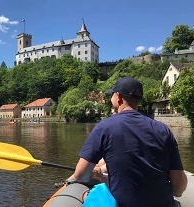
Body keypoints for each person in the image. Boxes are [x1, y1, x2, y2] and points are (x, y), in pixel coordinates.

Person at [67, 77, 187, 207]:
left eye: (112, 94)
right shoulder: (163, 130)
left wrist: (95, 173)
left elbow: (81, 175)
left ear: (118, 97)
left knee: (92, 195)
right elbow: (179, 186)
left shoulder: (104, 128)